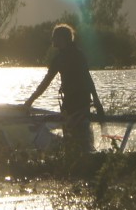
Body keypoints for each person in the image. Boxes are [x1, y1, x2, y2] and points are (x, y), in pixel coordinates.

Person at [24, 23, 105, 151]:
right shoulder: (60, 58)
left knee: (80, 139)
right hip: (69, 104)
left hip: (81, 104)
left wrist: (96, 100)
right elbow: (46, 82)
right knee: (71, 139)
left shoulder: (76, 56)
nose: (52, 40)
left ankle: (86, 159)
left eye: (55, 37)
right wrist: (30, 100)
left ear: (63, 39)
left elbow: (87, 78)